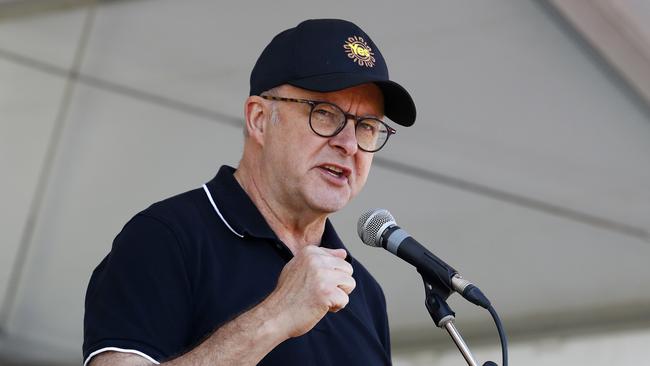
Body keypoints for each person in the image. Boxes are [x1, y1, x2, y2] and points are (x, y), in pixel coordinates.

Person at [83, 18, 416, 366]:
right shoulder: (167, 237)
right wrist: (276, 316)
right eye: (326, 114)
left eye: (367, 126)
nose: (349, 144)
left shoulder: (363, 291)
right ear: (259, 119)